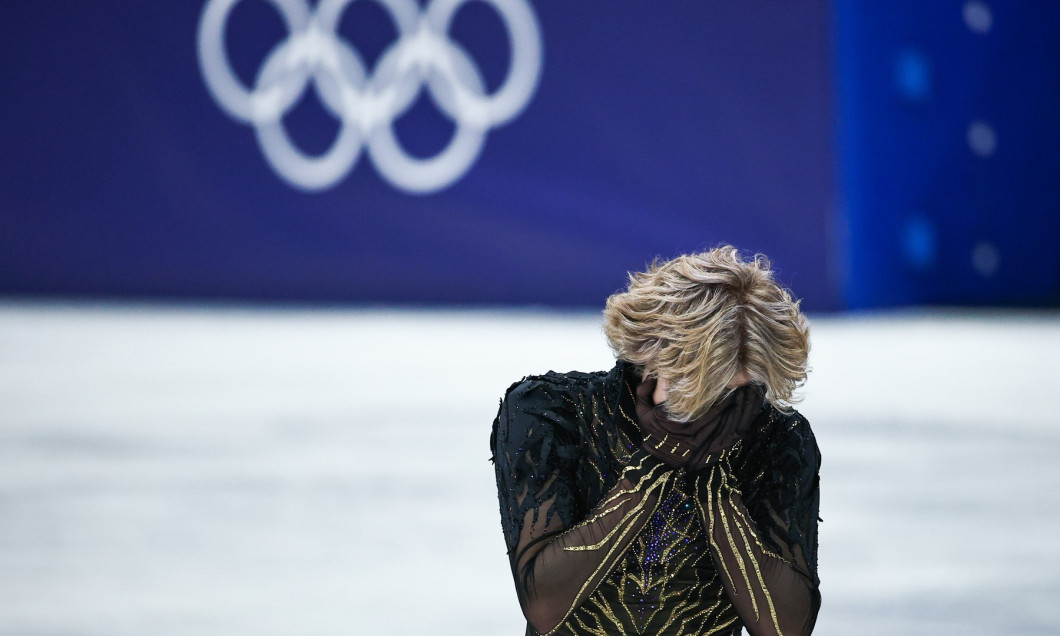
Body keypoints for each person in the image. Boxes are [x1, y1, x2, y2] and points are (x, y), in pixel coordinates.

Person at [490, 247, 821, 636]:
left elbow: (786, 629)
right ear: (651, 355)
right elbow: (544, 605)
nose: (711, 415)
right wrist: (654, 466)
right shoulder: (551, 413)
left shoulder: (774, 437)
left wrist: (711, 482)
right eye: (698, 386)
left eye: (736, 395)